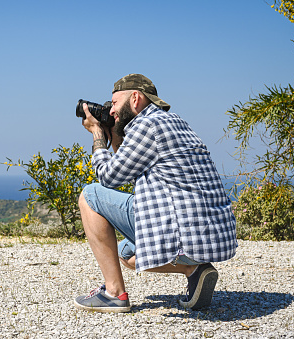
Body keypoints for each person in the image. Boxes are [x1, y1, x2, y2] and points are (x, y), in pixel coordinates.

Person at [74, 73, 237, 313]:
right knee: (126, 254)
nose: (111, 112)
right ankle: (194, 269)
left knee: (90, 195)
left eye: (116, 104)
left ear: (136, 98)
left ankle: (113, 294)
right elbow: (128, 170)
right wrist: (116, 133)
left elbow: (109, 178)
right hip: (208, 233)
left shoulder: (145, 126)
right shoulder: (174, 122)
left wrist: (98, 136)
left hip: (182, 229)